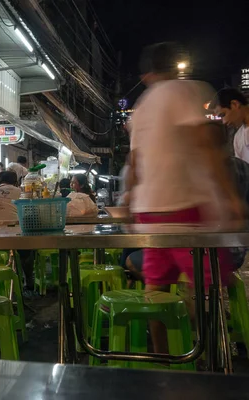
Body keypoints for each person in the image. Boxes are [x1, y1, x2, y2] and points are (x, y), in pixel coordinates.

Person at [129, 42, 241, 353]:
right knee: (211, 284)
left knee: (157, 288)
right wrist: (231, 197)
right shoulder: (189, 91)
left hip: (149, 212)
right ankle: (204, 353)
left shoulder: (141, 106)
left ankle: (164, 356)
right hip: (185, 207)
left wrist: (129, 205)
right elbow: (206, 144)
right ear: (176, 66)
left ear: (147, 75)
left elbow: (135, 163)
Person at [213, 88, 249, 163]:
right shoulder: (238, 138)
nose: (224, 122)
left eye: (223, 115)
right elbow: (243, 171)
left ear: (235, 104)